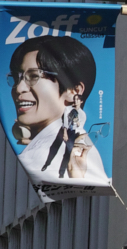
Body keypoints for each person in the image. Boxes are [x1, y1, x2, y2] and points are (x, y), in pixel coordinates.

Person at [7, 34, 105, 186]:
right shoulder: (76, 145)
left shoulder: (74, 151)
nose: (18, 88)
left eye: (33, 76)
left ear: (74, 90)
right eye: (16, 78)